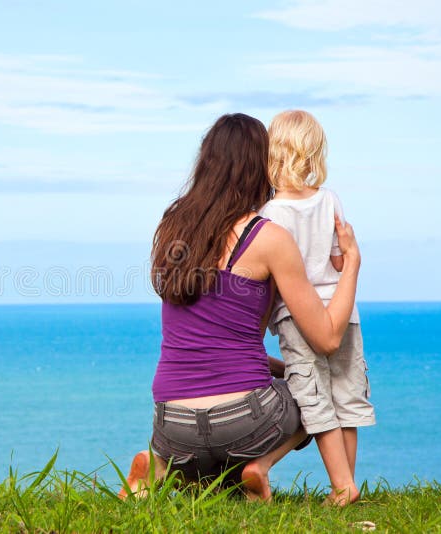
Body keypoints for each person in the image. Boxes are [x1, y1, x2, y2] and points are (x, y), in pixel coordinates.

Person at [119, 113, 362, 505]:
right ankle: (260, 465)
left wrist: (281, 368)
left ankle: (160, 466)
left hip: (170, 424)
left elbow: (218, 343)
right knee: (316, 389)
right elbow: (328, 337)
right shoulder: (267, 237)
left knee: (205, 464)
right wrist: (351, 264)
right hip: (243, 421)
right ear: (259, 166)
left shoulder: (174, 228)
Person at [259, 110, 375, 504]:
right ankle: (346, 482)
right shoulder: (330, 200)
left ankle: (342, 487)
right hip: (343, 314)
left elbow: (270, 276)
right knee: (347, 397)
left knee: (315, 399)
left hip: (297, 317)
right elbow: (341, 260)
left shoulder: (270, 214)